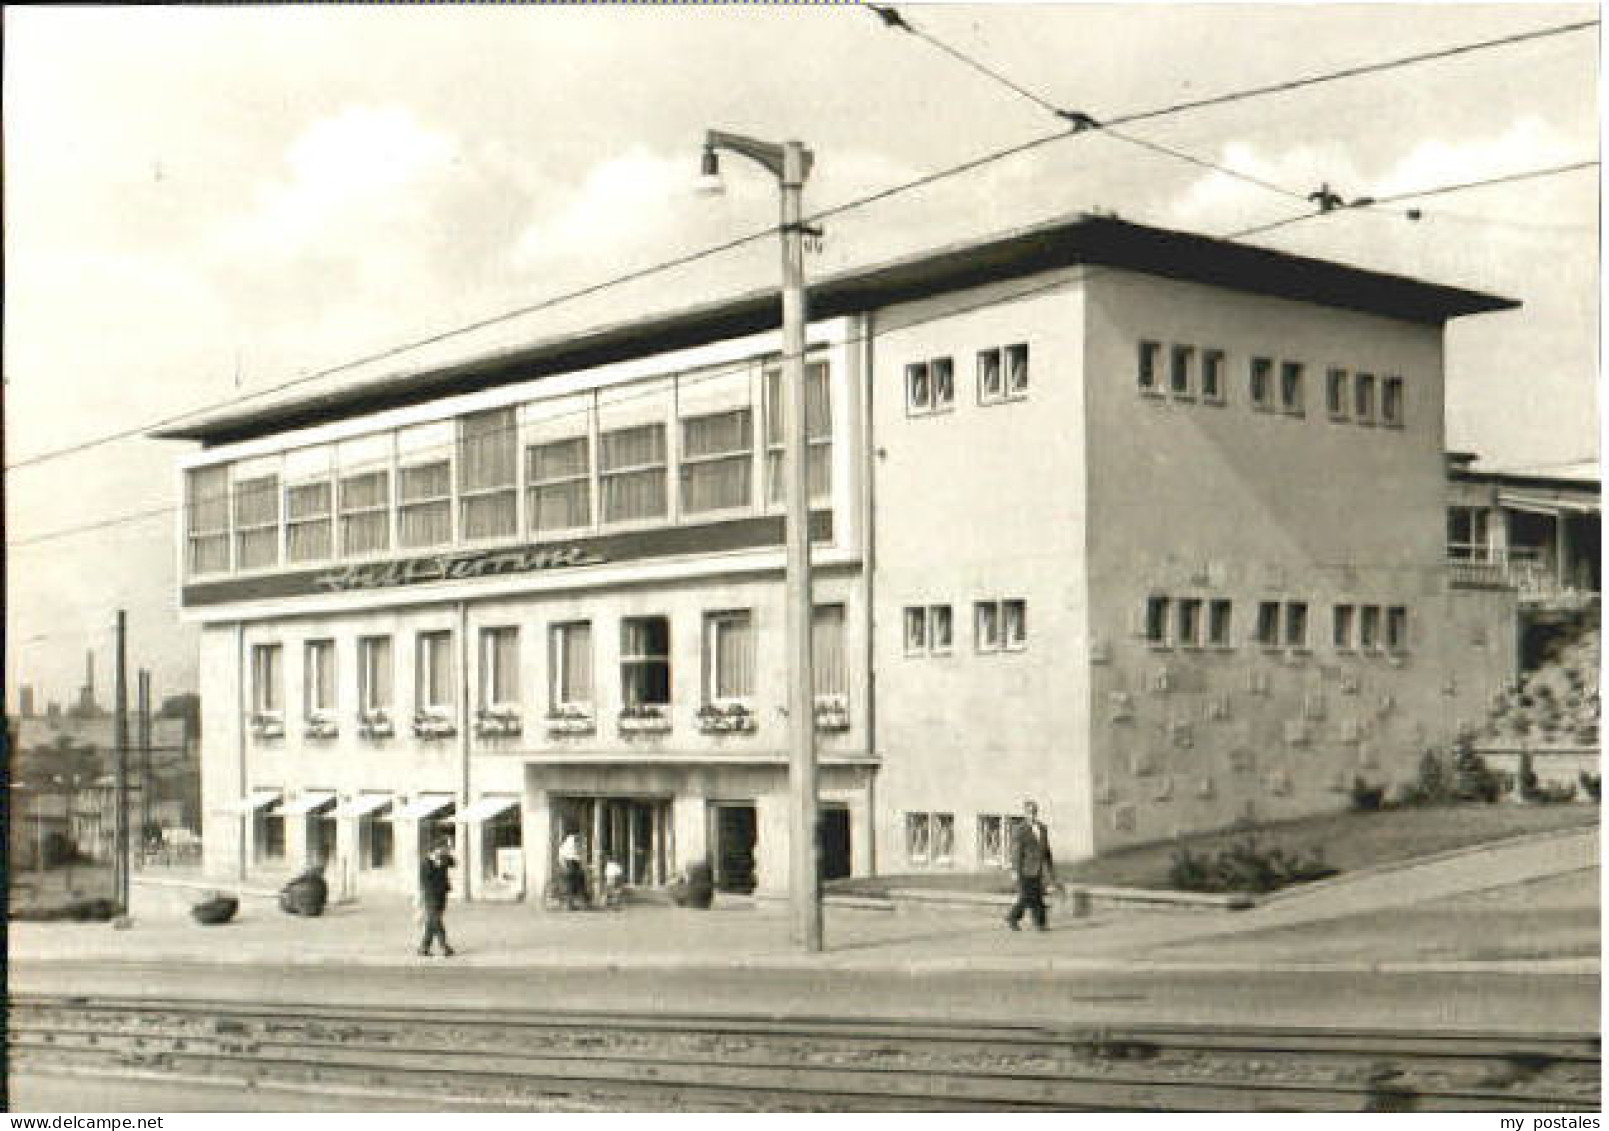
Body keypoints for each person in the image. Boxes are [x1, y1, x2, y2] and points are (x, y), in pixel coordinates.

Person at [1006, 799, 1059, 932]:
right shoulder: (1020, 829)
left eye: (1034, 812)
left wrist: (1050, 868)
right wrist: (1014, 871)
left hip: (1038, 869)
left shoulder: (1042, 828)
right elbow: (1016, 852)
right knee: (1027, 897)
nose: (1032, 815)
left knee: (1037, 896)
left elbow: (1046, 850)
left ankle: (1038, 923)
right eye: (1029, 812)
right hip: (1025, 869)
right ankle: (1014, 917)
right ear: (1025, 813)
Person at [417, 840, 455, 956]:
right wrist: (436, 864)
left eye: (446, 849)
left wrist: (446, 855)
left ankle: (423, 948)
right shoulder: (425, 862)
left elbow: (453, 863)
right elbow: (424, 882)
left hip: (442, 894)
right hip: (430, 895)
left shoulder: (444, 859)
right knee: (436, 920)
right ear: (436, 849)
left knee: (432, 922)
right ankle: (444, 946)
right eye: (443, 849)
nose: (445, 851)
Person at [557, 830, 587, 910]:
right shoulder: (572, 843)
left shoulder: (565, 846)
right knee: (576, 884)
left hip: (570, 865)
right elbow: (576, 856)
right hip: (571, 865)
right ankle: (574, 904)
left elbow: (562, 858)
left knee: (574, 884)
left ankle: (572, 903)